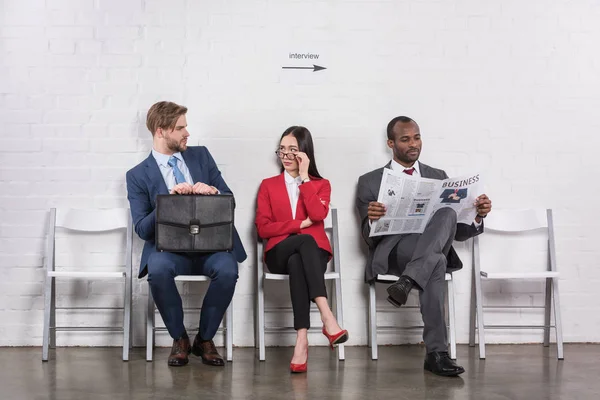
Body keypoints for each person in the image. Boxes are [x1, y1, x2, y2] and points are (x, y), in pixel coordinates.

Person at [356, 116, 492, 377]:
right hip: (395, 250)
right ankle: (436, 354)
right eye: (405, 139)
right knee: (435, 261)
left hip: (425, 251)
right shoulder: (371, 181)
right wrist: (372, 220)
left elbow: (456, 232)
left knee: (447, 221)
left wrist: (478, 214)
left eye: (417, 137)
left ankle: (408, 283)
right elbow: (368, 238)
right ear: (391, 143)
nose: (413, 144)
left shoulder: (438, 176)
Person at [126, 101, 247, 367]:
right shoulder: (137, 176)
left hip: (211, 248)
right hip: (169, 251)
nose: (187, 133)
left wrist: (214, 193)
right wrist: (167, 201)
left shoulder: (201, 156)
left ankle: (204, 339)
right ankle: (179, 338)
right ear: (161, 131)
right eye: (180, 128)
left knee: (228, 269)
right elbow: (142, 229)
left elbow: (231, 200)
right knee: (157, 270)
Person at [255, 126, 349, 373]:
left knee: (300, 260)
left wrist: (305, 178)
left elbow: (318, 214)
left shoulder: (321, 184)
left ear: (305, 154)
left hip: (312, 256)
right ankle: (327, 317)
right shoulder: (268, 185)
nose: (285, 156)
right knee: (304, 240)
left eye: (292, 150)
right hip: (278, 252)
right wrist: (298, 225)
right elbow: (263, 229)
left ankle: (301, 340)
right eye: (282, 150)